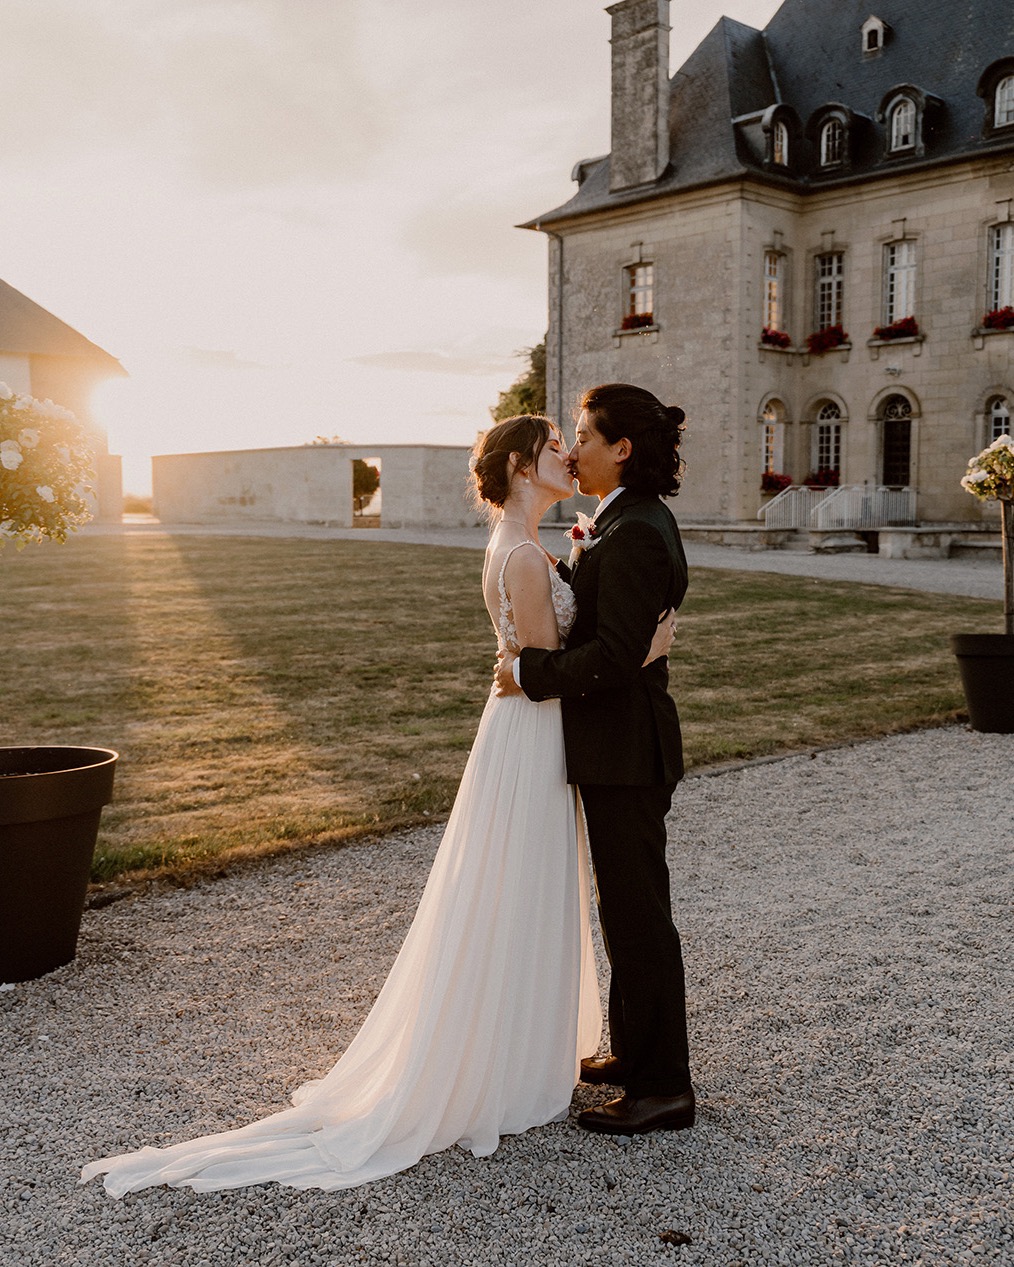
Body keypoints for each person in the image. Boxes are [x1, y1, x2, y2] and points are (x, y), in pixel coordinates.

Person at [81, 413, 673, 1196]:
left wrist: (574, 590)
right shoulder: (525, 555)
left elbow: (537, 649)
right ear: (524, 469)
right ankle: (506, 1056)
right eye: (553, 448)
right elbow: (542, 661)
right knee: (522, 890)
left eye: (575, 443)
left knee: (518, 891)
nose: (568, 454)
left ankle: (527, 1045)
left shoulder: (523, 545)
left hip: (525, 728)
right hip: (531, 733)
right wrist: (643, 649)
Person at [496, 383, 693, 1136]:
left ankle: (665, 1087)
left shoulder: (640, 530)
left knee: (640, 918)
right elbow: (618, 631)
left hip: (628, 751)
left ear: (623, 449)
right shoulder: (622, 523)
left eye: (583, 435)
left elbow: (613, 658)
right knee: (624, 910)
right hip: (613, 748)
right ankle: (637, 1055)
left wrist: (527, 673)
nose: (571, 448)